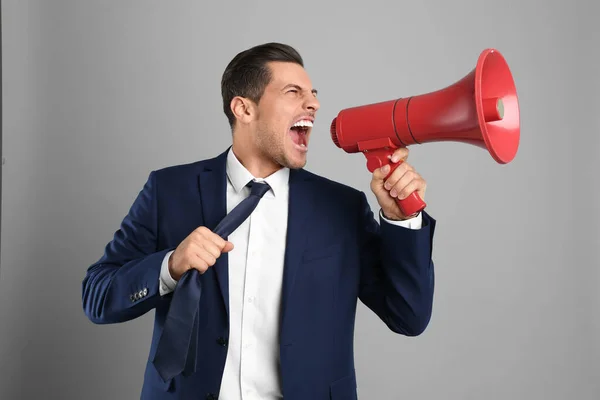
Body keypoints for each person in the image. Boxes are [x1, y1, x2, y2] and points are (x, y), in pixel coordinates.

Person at [82, 42, 436, 400]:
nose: (313, 104)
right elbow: (97, 296)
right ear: (243, 109)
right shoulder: (169, 190)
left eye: (313, 94)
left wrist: (402, 221)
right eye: (293, 92)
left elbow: (409, 316)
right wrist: (170, 267)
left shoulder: (342, 207)